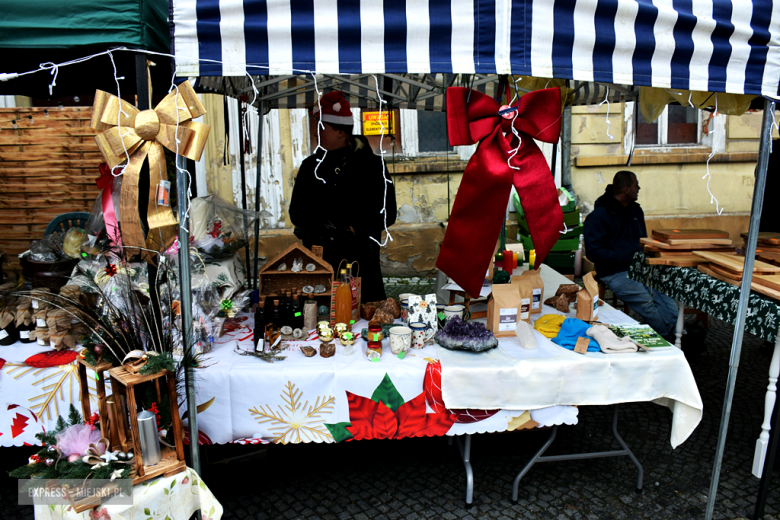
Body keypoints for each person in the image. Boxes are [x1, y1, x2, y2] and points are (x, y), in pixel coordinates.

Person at [289, 91, 397, 302]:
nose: (315, 134)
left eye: (321, 128)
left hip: (362, 265)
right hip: (321, 266)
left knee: (364, 326)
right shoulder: (310, 167)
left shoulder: (373, 166)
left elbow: (388, 212)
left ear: (340, 132)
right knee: (321, 326)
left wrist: (353, 228)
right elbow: (297, 213)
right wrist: (321, 226)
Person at [584, 170, 678, 340]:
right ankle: (670, 337)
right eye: (636, 185)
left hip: (641, 267)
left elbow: (642, 240)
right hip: (614, 272)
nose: (639, 188)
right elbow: (593, 252)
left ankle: (676, 333)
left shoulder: (635, 211)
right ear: (626, 189)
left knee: (665, 295)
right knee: (647, 302)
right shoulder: (598, 216)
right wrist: (622, 256)